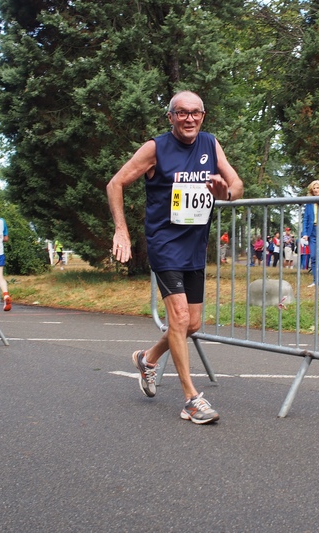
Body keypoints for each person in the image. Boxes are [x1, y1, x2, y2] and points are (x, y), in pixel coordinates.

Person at [106, 90, 243, 425]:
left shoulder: (210, 144)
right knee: (179, 319)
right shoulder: (156, 148)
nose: (189, 119)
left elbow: (236, 185)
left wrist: (224, 191)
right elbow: (115, 184)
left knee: (192, 324)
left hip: (195, 246)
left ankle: (147, 359)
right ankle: (190, 399)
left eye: (195, 113)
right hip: (165, 244)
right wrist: (121, 231)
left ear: (203, 116)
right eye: (182, 113)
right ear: (170, 117)